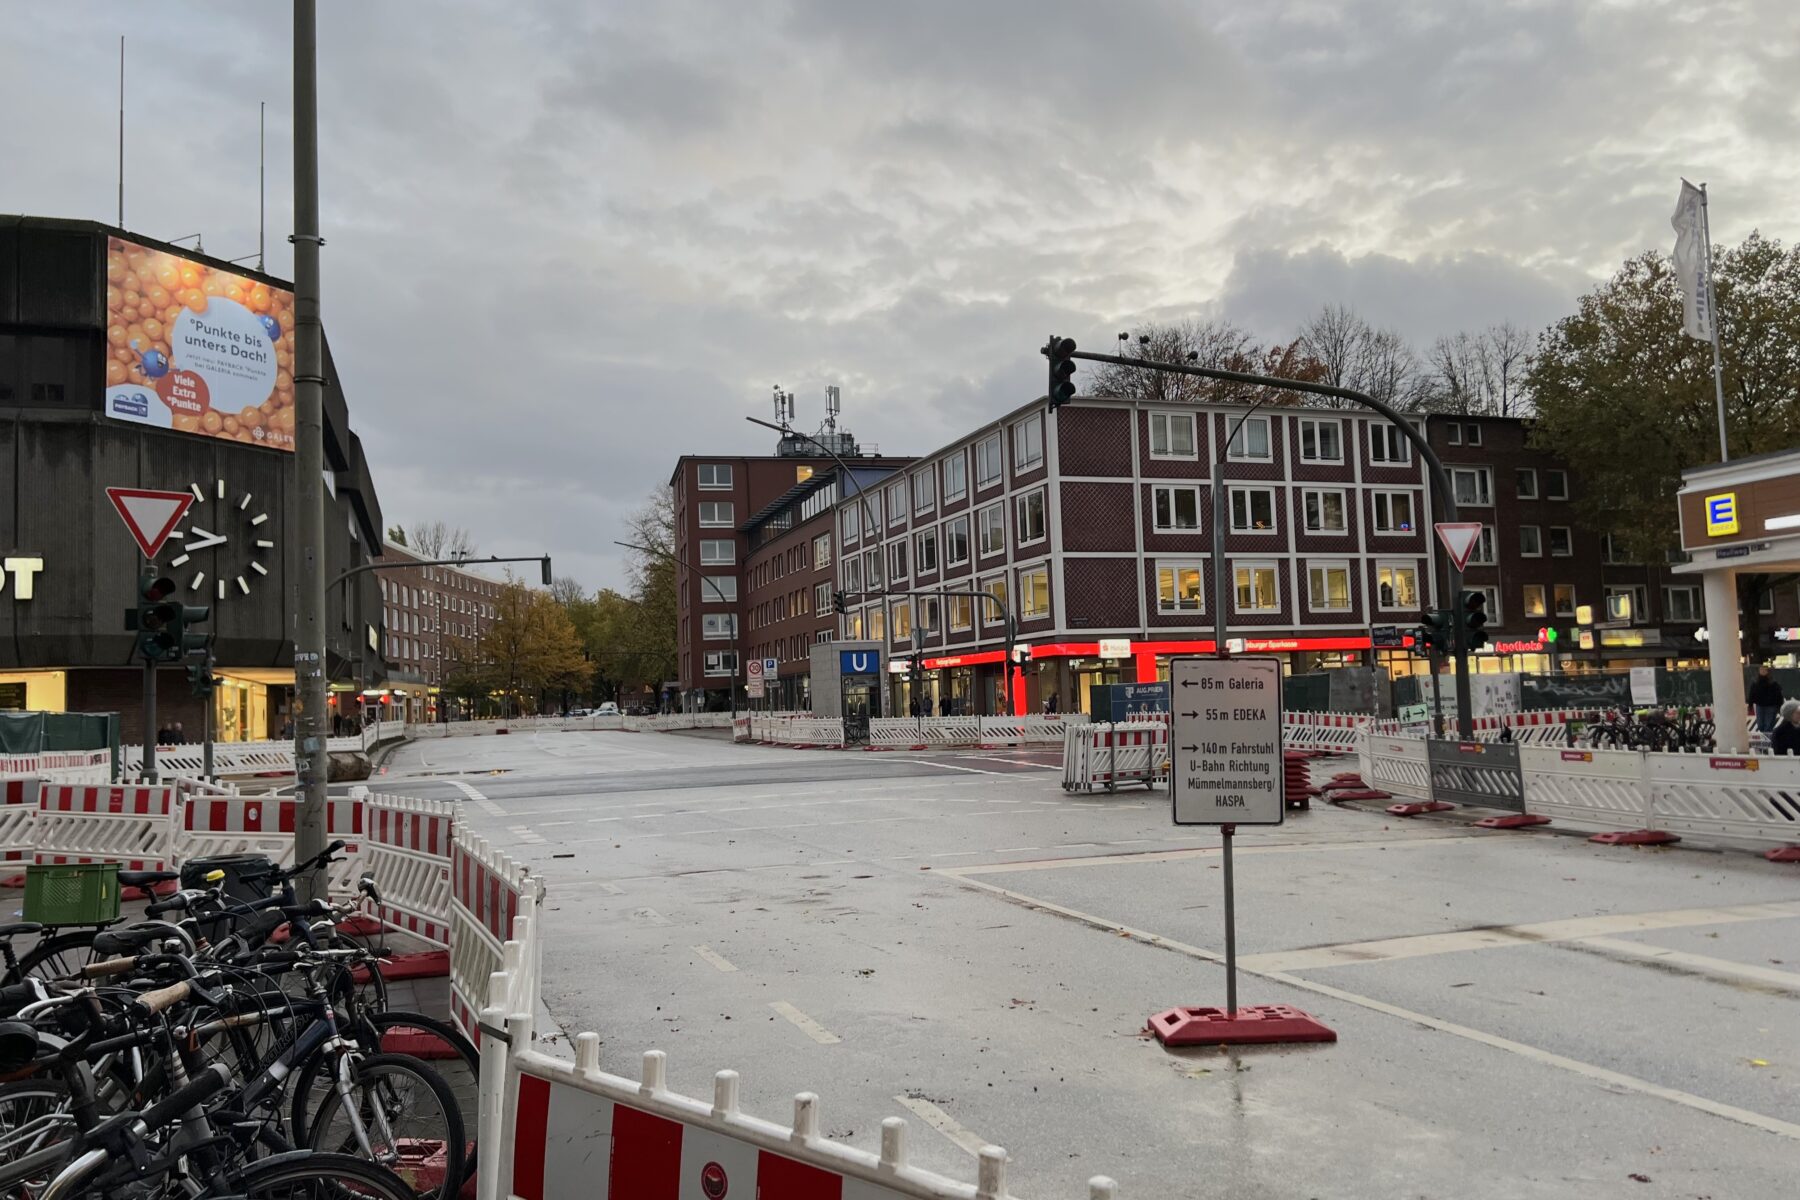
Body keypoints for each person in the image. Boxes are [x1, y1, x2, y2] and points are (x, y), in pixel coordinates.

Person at [1749, 665, 1784, 734]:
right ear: (1759, 671)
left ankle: (1766, 740)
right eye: (1761, 670)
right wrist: (1750, 705)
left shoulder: (1773, 683)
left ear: (1768, 672)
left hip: (1771, 706)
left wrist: (1779, 706)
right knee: (1760, 725)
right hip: (1760, 705)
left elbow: (1779, 695)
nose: (1763, 671)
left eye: (1764, 670)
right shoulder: (1755, 683)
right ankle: (1764, 739)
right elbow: (1752, 694)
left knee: (1768, 725)